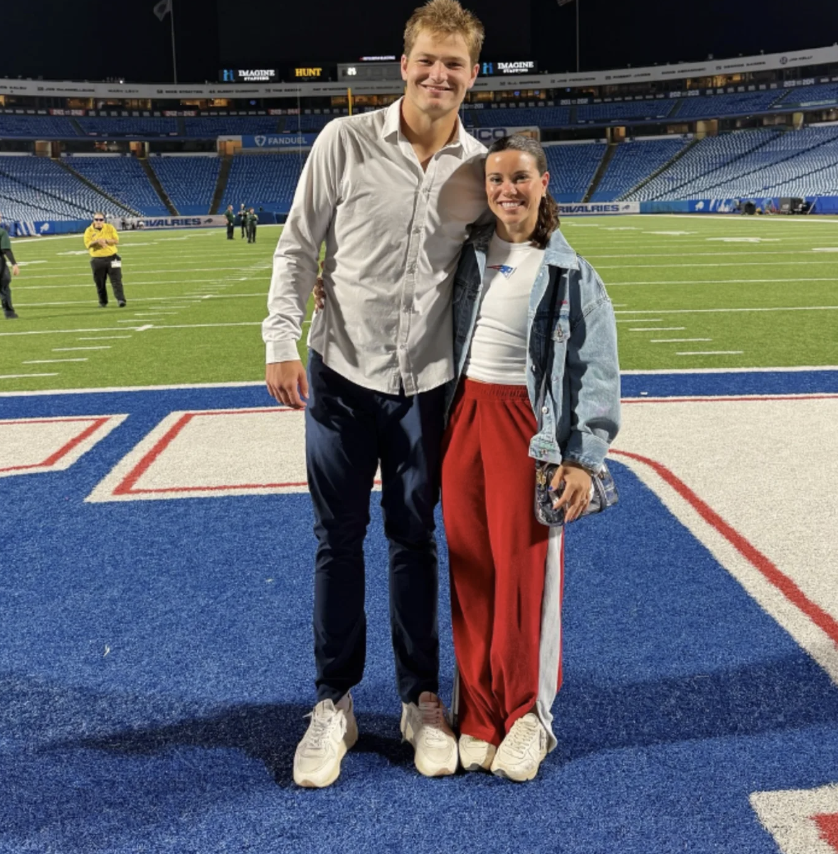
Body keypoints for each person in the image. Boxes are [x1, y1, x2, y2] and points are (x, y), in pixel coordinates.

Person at [263, 0, 488, 788]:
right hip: (340, 377)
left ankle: (421, 698)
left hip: (426, 386)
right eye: (426, 60)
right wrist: (278, 340)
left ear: (471, 73)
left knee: (414, 539)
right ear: (404, 64)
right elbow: (297, 245)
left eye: (453, 64)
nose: (438, 75)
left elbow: (503, 264)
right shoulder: (344, 140)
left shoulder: (478, 165)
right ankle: (335, 701)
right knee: (338, 540)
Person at [442, 134, 621, 782]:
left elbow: (597, 371)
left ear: (544, 182)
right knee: (471, 573)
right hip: (463, 421)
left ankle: (529, 718)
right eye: (495, 180)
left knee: (527, 579)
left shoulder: (570, 271)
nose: (507, 190)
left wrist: (582, 455)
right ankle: (480, 714)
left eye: (520, 178)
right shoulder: (465, 256)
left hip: (528, 430)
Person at [83, 212, 126, 308]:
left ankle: (121, 300)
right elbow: (88, 244)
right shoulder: (88, 230)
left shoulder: (110, 228)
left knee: (117, 280)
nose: (98, 221)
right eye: (96, 219)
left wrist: (106, 240)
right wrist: (97, 241)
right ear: (93, 220)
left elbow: (116, 240)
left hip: (113, 257)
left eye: (101, 219)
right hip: (97, 260)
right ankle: (103, 302)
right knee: (100, 282)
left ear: (104, 220)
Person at [1, 224, 20, 319]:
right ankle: (9, 313)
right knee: (4, 287)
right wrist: (14, 263)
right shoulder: (2, 232)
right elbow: (5, 249)